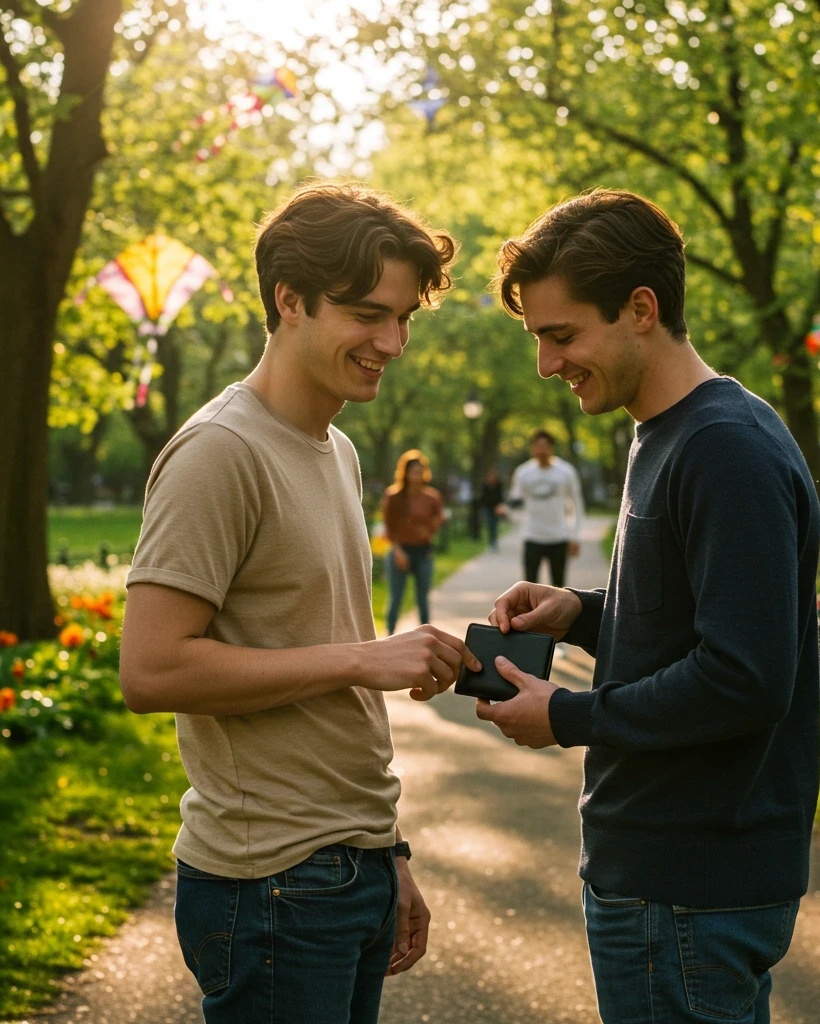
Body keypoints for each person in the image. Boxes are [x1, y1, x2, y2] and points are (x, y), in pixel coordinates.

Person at [117, 182, 483, 1024]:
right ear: (290, 300)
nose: (390, 341)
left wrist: (384, 849)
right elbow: (151, 668)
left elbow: (319, 683)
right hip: (270, 886)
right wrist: (365, 658)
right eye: (366, 314)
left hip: (343, 865)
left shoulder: (338, 450)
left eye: (402, 318)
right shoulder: (220, 452)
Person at [476, 189, 820, 1024]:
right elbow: (698, 622)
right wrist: (583, 614)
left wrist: (568, 713)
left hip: (686, 891)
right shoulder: (666, 431)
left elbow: (744, 677)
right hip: (667, 881)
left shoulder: (724, 450)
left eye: (561, 336)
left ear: (641, 309)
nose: (547, 365)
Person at [507, 428, 585, 587]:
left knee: (558, 586)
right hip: (532, 536)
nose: (541, 450)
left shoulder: (566, 472)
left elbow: (576, 503)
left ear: (552, 448)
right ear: (532, 449)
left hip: (558, 536)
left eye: (545, 446)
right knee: (529, 586)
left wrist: (575, 536)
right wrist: (512, 515)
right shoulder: (523, 473)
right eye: (537, 446)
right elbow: (514, 501)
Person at [382, 449, 444, 635]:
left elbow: (438, 518)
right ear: (405, 472)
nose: (416, 475)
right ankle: (388, 638)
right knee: (395, 599)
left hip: (423, 552)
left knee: (423, 599)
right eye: (412, 471)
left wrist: (430, 528)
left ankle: (426, 637)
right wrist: (397, 551)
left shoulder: (432, 497)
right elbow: (388, 526)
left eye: (419, 470)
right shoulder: (393, 496)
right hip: (400, 551)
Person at [478, 466, 505, 551]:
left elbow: (500, 496)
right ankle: (491, 542)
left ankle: (494, 541)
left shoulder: (499, 484)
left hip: (496, 507)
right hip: (487, 507)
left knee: (494, 525)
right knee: (490, 524)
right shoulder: (485, 485)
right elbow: (483, 497)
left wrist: (500, 506)